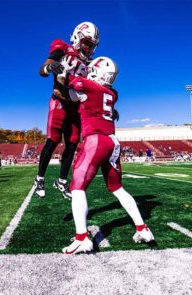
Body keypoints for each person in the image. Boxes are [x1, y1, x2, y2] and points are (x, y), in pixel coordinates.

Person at [61, 57, 154, 254]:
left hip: (96, 141)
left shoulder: (90, 86)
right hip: (113, 142)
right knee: (117, 188)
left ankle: (82, 238)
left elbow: (73, 85)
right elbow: (74, 95)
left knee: (77, 188)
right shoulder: (112, 93)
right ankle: (142, 228)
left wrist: (66, 71)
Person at [33, 22, 100, 200]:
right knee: (53, 140)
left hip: (75, 106)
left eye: (92, 45)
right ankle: (39, 178)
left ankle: (62, 181)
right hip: (60, 103)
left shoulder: (91, 64)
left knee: (72, 144)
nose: (89, 47)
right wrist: (49, 67)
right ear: (78, 37)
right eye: (87, 42)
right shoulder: (64, 49)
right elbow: (43, 69)